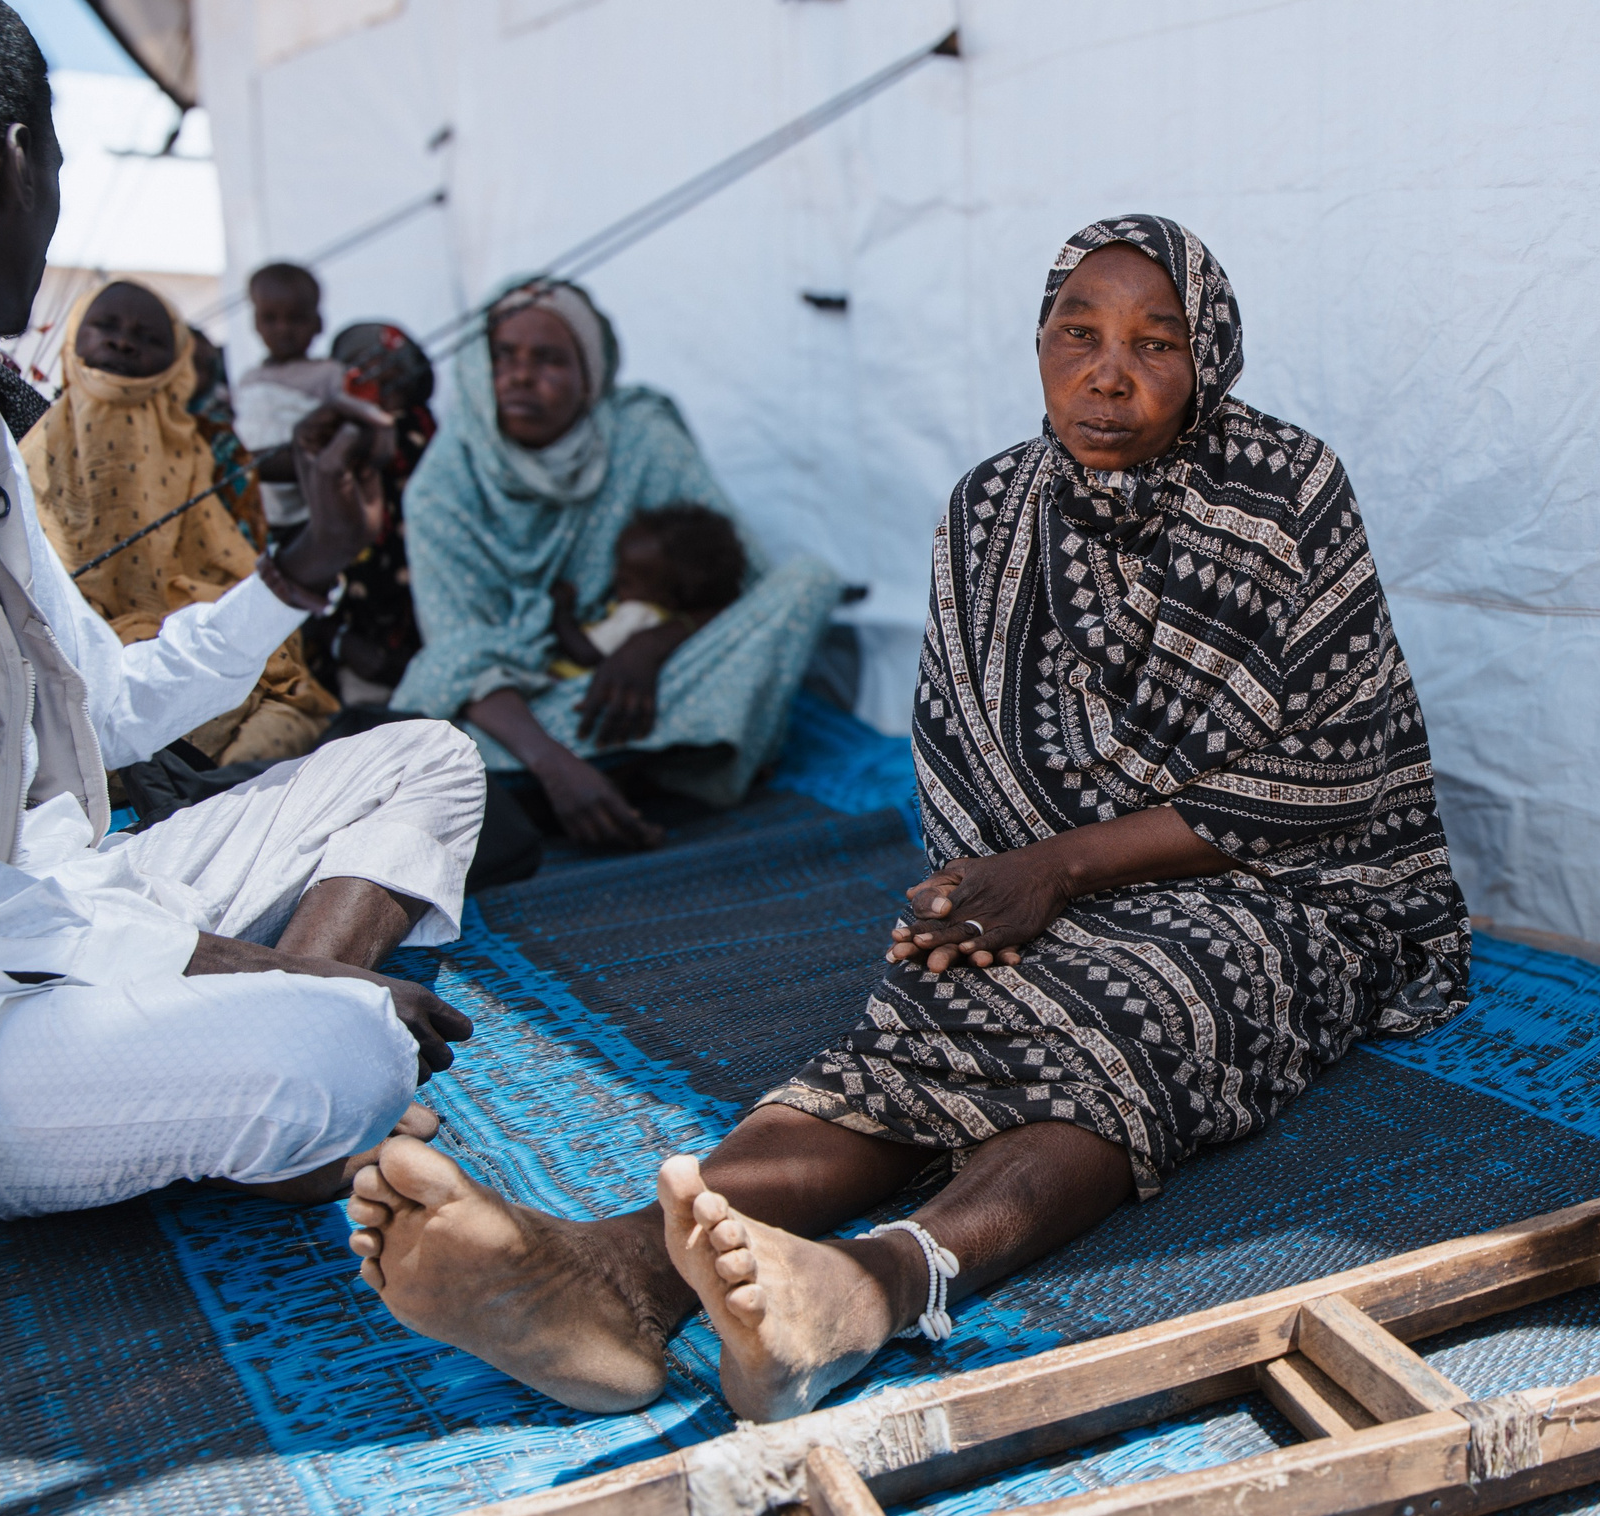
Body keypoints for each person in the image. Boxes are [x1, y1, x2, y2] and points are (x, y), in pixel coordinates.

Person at [345, 216, 1471, 1420]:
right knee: (931, 1014)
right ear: (1036, 343)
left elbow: (1332, 771)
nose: (1108, 370)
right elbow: (971, 745)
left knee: (1142, 1003)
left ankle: (868, 1288)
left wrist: (1058, 871)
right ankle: (614, 1277)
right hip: (1046, 865)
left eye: (1156, 343)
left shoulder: (1285, 490)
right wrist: (987, 886)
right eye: (1077, 333)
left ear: (1212, 362)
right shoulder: (992, 509)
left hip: (1289, 881)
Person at [0, 0, 483, 1315]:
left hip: (75, 903)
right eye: (62, 156)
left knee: (425, 757)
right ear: (19, 157)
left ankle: (245, 1077)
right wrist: (287, 974)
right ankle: (280, 1077)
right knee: (336, 1047)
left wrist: (298, 572)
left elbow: (107, 705)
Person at [391, 277, 840, 850]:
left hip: (651, 685)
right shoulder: (443, 485)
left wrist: (651, 645)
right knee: (435, 744)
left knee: (808, 584)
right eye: (503, 356)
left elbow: (738, 579)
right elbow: (458, 658)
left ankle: (639, 768)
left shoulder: (639, 437)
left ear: (591, 378)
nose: (521, 376)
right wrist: (557, 768)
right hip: (525, 716)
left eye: (550, 359)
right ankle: (619, 774)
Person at [23, 277, 338, 764]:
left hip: (192, 651)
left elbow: (238, 577)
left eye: (149, 338)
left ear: (176, 364)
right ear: (72, 337)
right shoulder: (19, 447)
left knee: (265, 728)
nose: (122, 342)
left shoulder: (205, 455)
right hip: (66, 670)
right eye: (105, 325)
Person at [302, 320, 435, 705]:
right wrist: (340, 641)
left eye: (393, 370)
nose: (379, 378)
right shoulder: (322, 438)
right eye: (364, 367)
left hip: (426, 637)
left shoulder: (430, 441)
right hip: (348, 642)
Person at [549, 502, 745, 677]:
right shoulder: (666, 618)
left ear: (667, 599)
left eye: (625, 582)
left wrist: (561, 610)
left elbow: (587, 653)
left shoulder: (639, 614)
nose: (613, 577)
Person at [232, 260, 343, 536]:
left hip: (311, 515)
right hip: (259, 513)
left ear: (318, 323)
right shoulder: (248, 381)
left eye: (295, 318)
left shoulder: (329, 374)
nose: (283, 328)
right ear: (255, 323)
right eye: (270, 318)